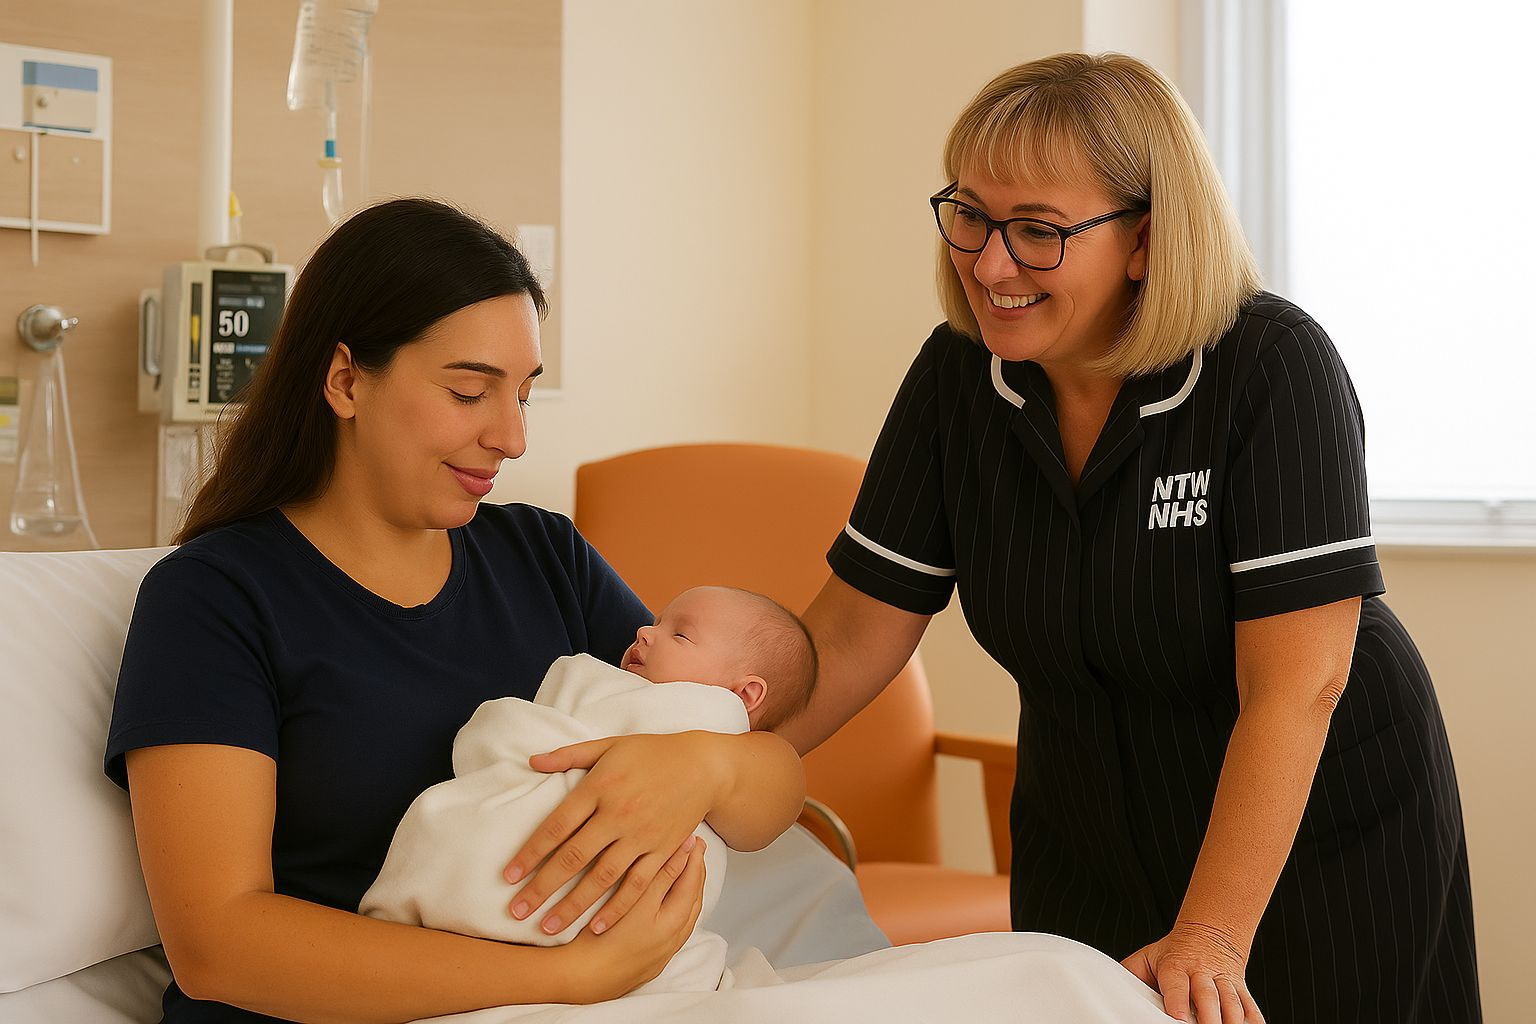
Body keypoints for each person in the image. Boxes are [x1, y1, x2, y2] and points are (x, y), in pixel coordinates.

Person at [784, 53, 1480, 1024]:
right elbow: (854, 633)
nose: (989, 264)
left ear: (1147, 238)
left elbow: (1297, 686)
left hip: (1309, 831)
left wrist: (1212, 934)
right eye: (972, 216)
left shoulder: (1270, 368)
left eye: (1038, 231)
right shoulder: (958, 381)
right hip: (1083, 826)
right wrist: (711, 762)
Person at [105, 198, 806, 1022]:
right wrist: (572, 979)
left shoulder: (544, 558)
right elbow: (218, 944)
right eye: (470, 391)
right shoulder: (217, 599)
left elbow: (772, 788)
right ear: (344, 380)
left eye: (523, 395)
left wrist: (708, 767)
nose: (511, 437)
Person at [358, 586, 818, 995]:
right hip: (431, 966)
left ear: (746, 696)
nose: (643, 631)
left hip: (630, 927)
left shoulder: (704, 714)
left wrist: (712, 766)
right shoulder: (637, 686)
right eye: (656, 622)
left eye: (679, 635)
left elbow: (780, 777)